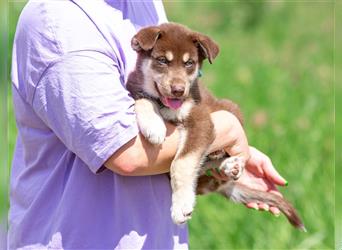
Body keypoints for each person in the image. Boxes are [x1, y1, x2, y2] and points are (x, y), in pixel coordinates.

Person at [8, 0, 287, 249]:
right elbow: (128, 153)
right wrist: (224, 129)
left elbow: (174, 107)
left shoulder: (144, 4)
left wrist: (222, 153)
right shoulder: (59, 19)